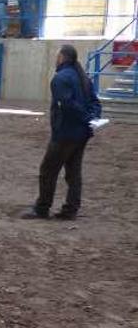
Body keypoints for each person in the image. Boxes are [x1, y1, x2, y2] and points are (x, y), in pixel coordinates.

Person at [22, 45, 102, 221]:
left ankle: (42, 208)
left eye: (57, 55)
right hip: (83, 133)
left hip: (66, 133)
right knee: (73, 172)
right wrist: (93, 118)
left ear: (62, 57)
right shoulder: (83, 78)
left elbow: (67, 105)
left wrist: (86, 117)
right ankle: (70, 209)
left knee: (48, 170)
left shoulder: (60, 79)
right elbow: (95, 102)